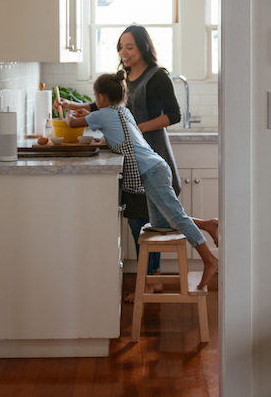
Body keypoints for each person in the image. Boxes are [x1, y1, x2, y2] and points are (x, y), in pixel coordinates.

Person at [58, 25, 184, 299]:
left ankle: (151, 280)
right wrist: (74, 106)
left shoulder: (158, 76)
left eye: (130, 47)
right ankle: (149, 279)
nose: (123, 52)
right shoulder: (123, 76)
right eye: (120, 47)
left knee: (148, 222)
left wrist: (137, 127)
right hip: (132, 161)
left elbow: (174, 115)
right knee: (140, 221)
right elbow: (113, 107)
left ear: (143, 48)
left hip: (151, 155)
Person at [66, 71, 219, 290]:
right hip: (156, 166)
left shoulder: (103, 114)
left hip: (152, 171)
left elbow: (72, 123)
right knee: (161, 224)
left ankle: (209, 259)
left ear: (100, 97)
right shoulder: (123, 111)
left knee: (175, 216)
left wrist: (68, 113)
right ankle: (208, 224)